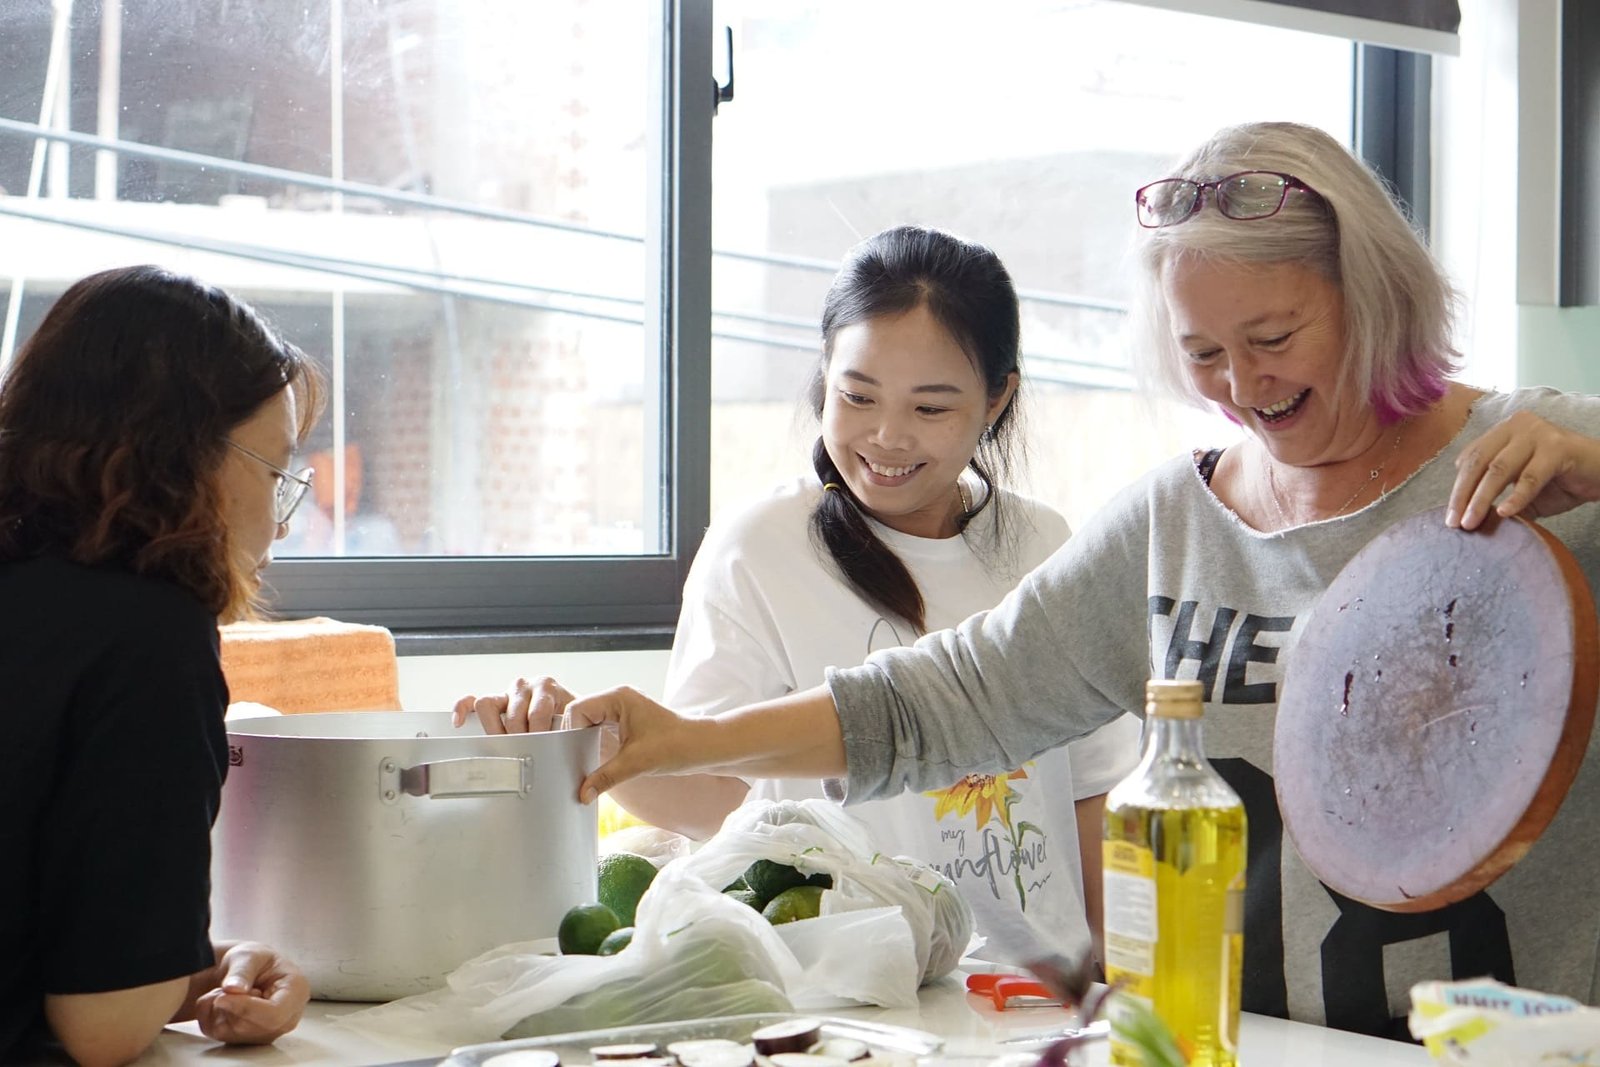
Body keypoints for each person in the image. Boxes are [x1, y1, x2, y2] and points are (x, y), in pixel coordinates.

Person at [553, 122, 1600, 1042]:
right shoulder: (1170, 523)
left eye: (1274, 338)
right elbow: (950, 696)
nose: (1243, 383)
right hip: (1243, 1044)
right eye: (1202, 351)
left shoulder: (1542, 457)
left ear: (1373, 295)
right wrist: (686, 738)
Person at [457, 225, 1141, 968]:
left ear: (997, 397)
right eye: (858, 395)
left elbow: (1092, 789)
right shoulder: (760, 547)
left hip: (1036, 991)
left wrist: (1120, 977)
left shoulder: (1046, 544)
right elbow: (718, 798)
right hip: (857, 986)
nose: (887, 436)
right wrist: (590, 743)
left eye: (930, 409)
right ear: (824, 372)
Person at [0, 266, 322, 1065]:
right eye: (276, 472)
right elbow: (104, 1025)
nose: (281, 521)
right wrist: (186, 967)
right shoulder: (148, 635)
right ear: (189, 457)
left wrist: (207, 967)